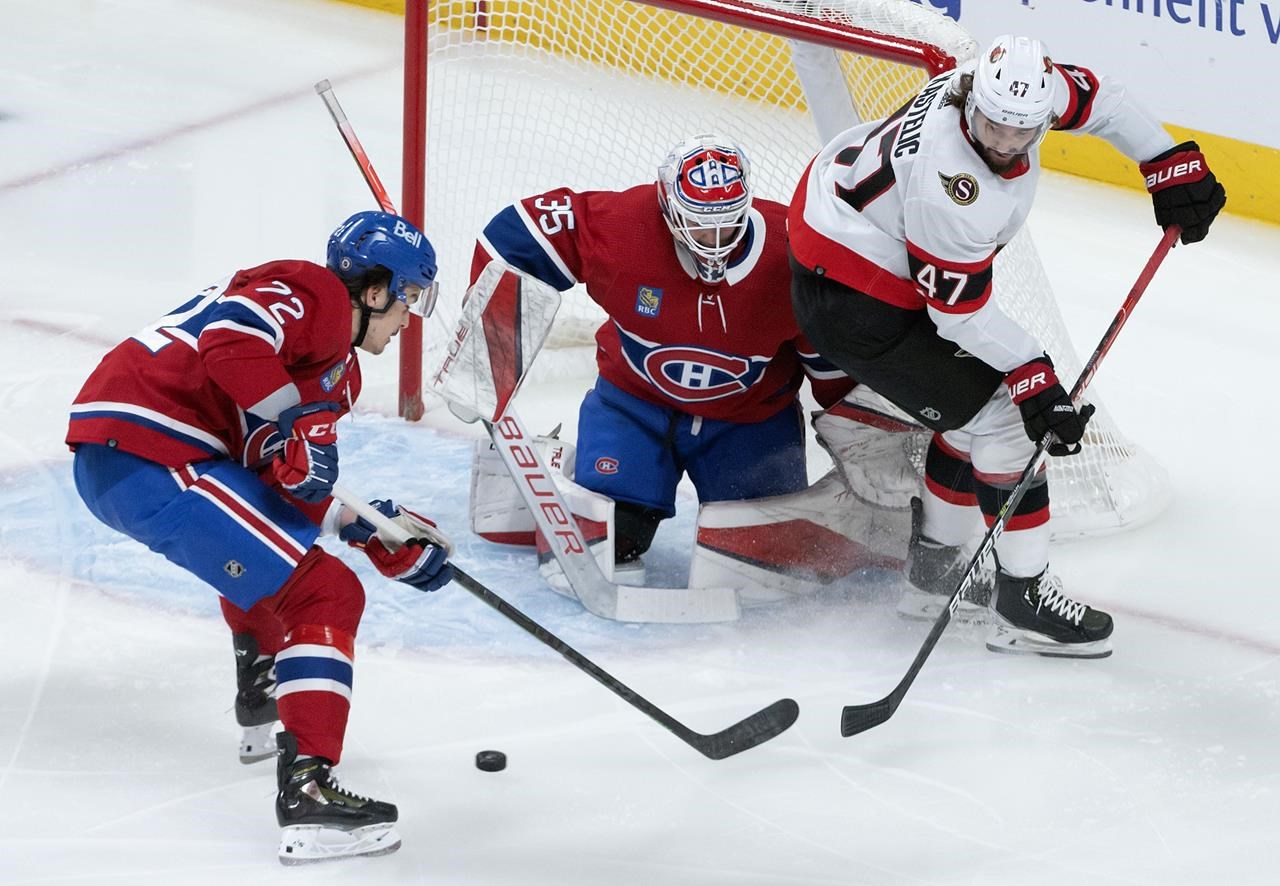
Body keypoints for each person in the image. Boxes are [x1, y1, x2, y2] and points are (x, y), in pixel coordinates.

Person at [788, 34, 1226, 658]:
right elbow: (957, 315)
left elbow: (1101, 99)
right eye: (992, 126)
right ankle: (1024, 598)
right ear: (972, 100)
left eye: (1021, 132)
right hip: (858, 299)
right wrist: (1033, 374)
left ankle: (932, 578)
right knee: (1009, 424)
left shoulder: (999, 85)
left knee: (974, 413)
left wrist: (1166, 157)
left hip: (847, 235)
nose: (1002, 144)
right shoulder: (952, 188)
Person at [66, 210, 455, 864]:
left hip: (143, 457)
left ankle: (263, 689)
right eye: (408, 298)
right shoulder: (316, 294)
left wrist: (370, 526)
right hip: (151, 449)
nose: (408, 318)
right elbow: (228, 337)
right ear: (374, 290)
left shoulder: (333, 370)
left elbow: (279, 482)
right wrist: (297, 422)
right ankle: (308, 791)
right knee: (325, 596)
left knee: (281, 560)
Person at [470, 134, 853, 580]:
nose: (713, 241)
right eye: (698, 223)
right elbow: (514, 235)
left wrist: (861, 448)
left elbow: (836, 365)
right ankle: (570, 471)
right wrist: (487, 342)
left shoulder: (792, 254)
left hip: (749, 425)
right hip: (634, 408)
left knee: (762, 569)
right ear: (668, 206)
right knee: (609, 543)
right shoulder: (623, 226)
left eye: (726, 224)